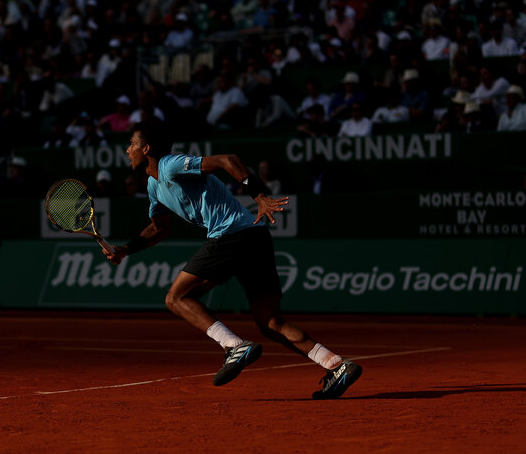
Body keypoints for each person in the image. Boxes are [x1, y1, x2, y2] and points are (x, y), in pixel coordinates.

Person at [102, 121, 362, 399]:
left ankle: (233, 345)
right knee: (271, 323)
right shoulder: (155, 186)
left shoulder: (169, 165)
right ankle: (335, 364)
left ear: (147, 148)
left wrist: (259, 196)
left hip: (231, 236)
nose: (128, 150)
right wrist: (125, 249)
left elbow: (229, 160)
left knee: (176, 298)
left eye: (131, 144)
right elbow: (158, 229)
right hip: (255, 238)